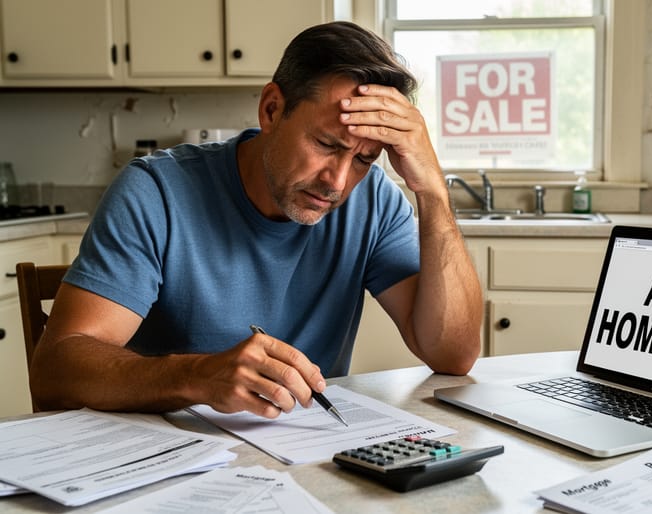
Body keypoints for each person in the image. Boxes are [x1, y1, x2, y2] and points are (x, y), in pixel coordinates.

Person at [29, 21, 482, 419]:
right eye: (325, 144)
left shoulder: (375, 203)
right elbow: (56, 370)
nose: (338, 182)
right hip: (162, 456)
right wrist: (198, 374)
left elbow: (454, 355)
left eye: (364, 159)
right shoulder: (156, 193)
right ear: (271, 109)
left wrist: (433, 192)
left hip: (304, 455)